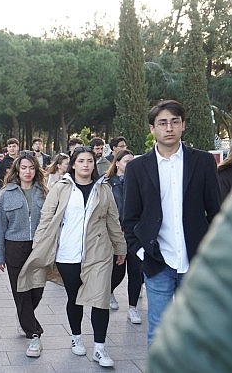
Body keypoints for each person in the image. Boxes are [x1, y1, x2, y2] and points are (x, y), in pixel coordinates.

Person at [122, 99, 221, 347]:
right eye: (162, 123)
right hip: (158, 261)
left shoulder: (203, 162)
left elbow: (216, 212)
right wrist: (144, 253)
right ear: (152, 128)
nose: (169, 128)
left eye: (174, 122)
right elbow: (130, 218)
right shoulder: (137, 168)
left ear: (183, 125)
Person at [18, 146, 126, 368]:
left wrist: (120, 247)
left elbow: (113, 220)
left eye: (90, 161)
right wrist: (39, 246)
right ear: (73, 164)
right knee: (74, 298)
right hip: (68, 254)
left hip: (99, 253)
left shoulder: (103, 188)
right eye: (81, 161)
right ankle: (76, 337)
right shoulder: (61, 187)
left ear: (94, 165)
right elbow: (47, 218)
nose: (86, 165)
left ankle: (99, 348)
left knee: (100, 301)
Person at [147, 196, 232, 372]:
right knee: (157, 326)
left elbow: (213, 209)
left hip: (191, 257)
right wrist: (140, 250)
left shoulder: (203, 167)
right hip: (159, 260)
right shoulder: (140, 168)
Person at [0, 153, 47, 358]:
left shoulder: (43, 192)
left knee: (37, 290)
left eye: (31, 168)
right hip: (14, 247)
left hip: (39, 247)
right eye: (24, 168)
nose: (28, 172)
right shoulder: (6, 194)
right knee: (20, 292)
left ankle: (24, 317)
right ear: (17, 170)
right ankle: (34, 333)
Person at [104, 149, 142, 324]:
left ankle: (133, 308)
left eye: (132, 161)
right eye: (127, 161)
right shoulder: (108, 184)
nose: (130, 165)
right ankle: (109, 292)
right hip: (116, 234)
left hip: (135, 234)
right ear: (117, 163)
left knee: (136, 272)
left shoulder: (139, 182)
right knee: (117, 271)